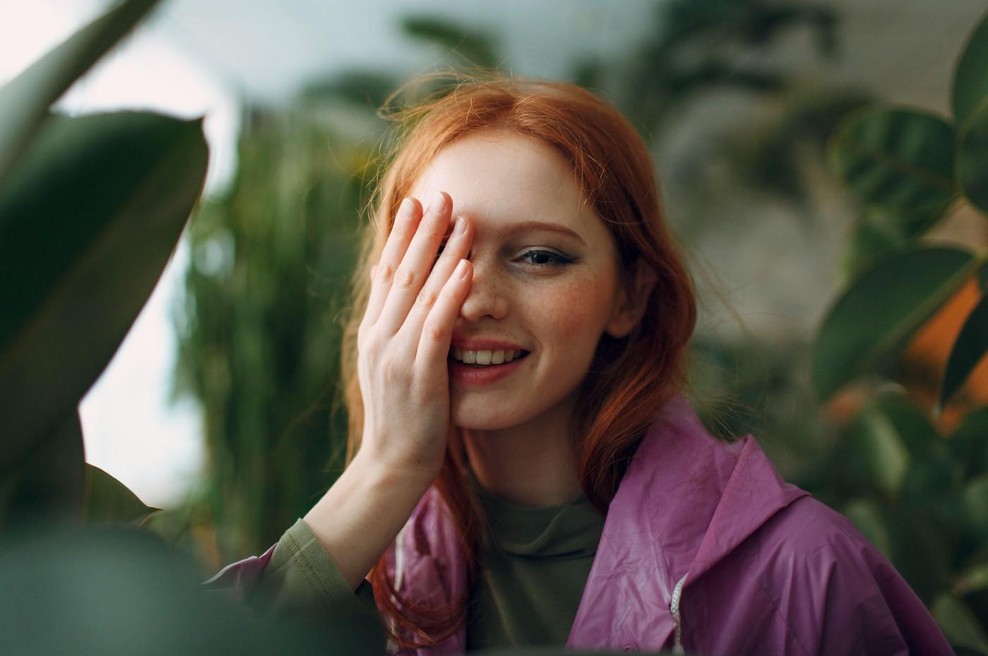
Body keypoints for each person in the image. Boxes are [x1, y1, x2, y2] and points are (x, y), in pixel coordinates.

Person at [209, 76, 953, 655]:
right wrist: (384, 470)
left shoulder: (803, 570)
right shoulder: (373, 568)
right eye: (436, 255)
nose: (472, 300)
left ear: (629, 297)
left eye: (539, 256)